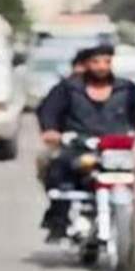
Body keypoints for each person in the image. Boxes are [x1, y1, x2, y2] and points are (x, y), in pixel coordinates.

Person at [36, 44, 135, 241]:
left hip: (118, 151)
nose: (102, 67)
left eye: (106, 61)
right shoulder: (68, 89)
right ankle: (59, 218)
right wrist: (51, 131)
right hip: (80, 149)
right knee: (58, 169)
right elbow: (49, 112)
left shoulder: (128, 90)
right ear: (86, 64)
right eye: (96, 62)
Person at [34, 49, 89, 183]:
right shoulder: (63, 89)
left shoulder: (117, 89)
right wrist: (51, 130)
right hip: (71, 143)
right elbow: (48, 111)